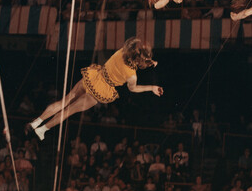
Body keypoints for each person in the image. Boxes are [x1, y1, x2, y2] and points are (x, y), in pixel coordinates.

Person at [28, 38, 162, 141]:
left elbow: (135, 53)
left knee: (65, 101)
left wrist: (149, 60)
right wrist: (151, 87)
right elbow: (133, 89)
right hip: (100, 91)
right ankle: (43, 130)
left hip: (94, 78)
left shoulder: (121, 52)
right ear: (140, 60)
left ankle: (37, 122)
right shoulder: (132, 75)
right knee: (69, 111)